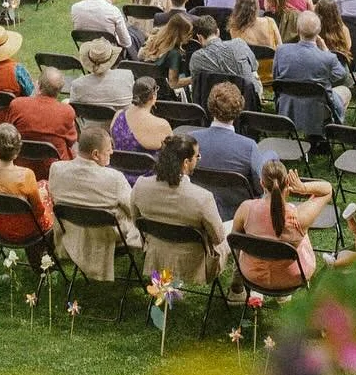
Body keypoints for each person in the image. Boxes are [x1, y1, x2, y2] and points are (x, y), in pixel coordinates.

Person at [130, 134, 229, 284]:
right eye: (197, 156)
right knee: (235, 228)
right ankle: (238, 290)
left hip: (157, 253)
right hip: (194, 262)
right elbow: (218, 238)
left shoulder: (140, 185)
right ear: (186, 162)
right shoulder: (202, 197)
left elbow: (136, 221)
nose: (198, 159)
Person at [49, 127, 140, 281]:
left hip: (72, 232)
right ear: (96, 154)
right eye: (109, 150)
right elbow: (134, 209)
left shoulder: (57, 169)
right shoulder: (114, 178)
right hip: (106, 236)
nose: (112, 153)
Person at [232, 157, 334, 292]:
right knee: (303, 236)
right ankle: (283, 295)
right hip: (292, 277)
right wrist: (303, 188)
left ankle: (236, 286)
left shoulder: (245, 209)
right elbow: (328, 189)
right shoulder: (299, 217)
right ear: (287, 183)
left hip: (252, 275)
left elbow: (235, 240)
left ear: (261, 183)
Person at [271, 10, 351, 133]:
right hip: (318, 111)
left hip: (288, 106)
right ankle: (331, 129)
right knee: (345, 91)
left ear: (297, 30)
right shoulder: (327, 57)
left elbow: (276, 78)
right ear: (319, 32)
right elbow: (341, 76)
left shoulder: (281, 51)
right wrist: (325, 49)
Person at [193, 81, 264, 215]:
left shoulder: (191, 139)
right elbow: (260, 187)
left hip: (201, 209)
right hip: (237, 213)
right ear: (239, 108)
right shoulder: (248, 147)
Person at [0, 123, 55, 245]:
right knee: (46, 186)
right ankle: (48, 247)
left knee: (42, 185)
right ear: (17, 150)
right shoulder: (26, 175)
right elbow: (39, 211)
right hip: (28, 231)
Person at [7, 68, 78, 173]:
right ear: (60, 90)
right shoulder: (66, 111)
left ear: (38, 85)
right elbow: (71, 141)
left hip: (21, 164)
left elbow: (8, 131)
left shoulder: (17, 104)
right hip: (54, 168)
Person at [188, 4, 260, 99]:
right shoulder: (239, 43)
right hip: (249, 101)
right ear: (218, 32)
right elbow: (255, 66)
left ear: (199, 38)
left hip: (217, 105)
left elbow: (197, 88)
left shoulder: (196, 58)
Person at [72, 0, 140, 53]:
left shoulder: (75, 8)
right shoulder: (113, 11)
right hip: (108, 54)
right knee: (134, 33)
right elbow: (127, 43)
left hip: (87, 52)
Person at [110, 76, 172, 159]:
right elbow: (173, 154)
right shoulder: (162, 125)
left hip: (118, 169)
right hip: (151, 171)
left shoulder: (118, 115)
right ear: (154, 96)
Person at [68, 37, 134, 111]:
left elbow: (73, 110)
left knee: (65, 102)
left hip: (90, 122)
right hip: (121, 122)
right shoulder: (127, 76)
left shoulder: (77, 84)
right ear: (111, 58)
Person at [139, 10, 197, 91]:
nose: (190, 36)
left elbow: (140, 56)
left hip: (146, 86)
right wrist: (195, 78)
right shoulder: (174, 54)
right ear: (178, 33)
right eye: (188, 33)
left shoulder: (154, 40)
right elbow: (173, 84)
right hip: (164, 92)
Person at [315, 0, 354, 66]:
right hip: (340, 67)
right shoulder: (344, 30)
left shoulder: (314, 30)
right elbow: (347, 49)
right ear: (336, 12)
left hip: (318, 67)